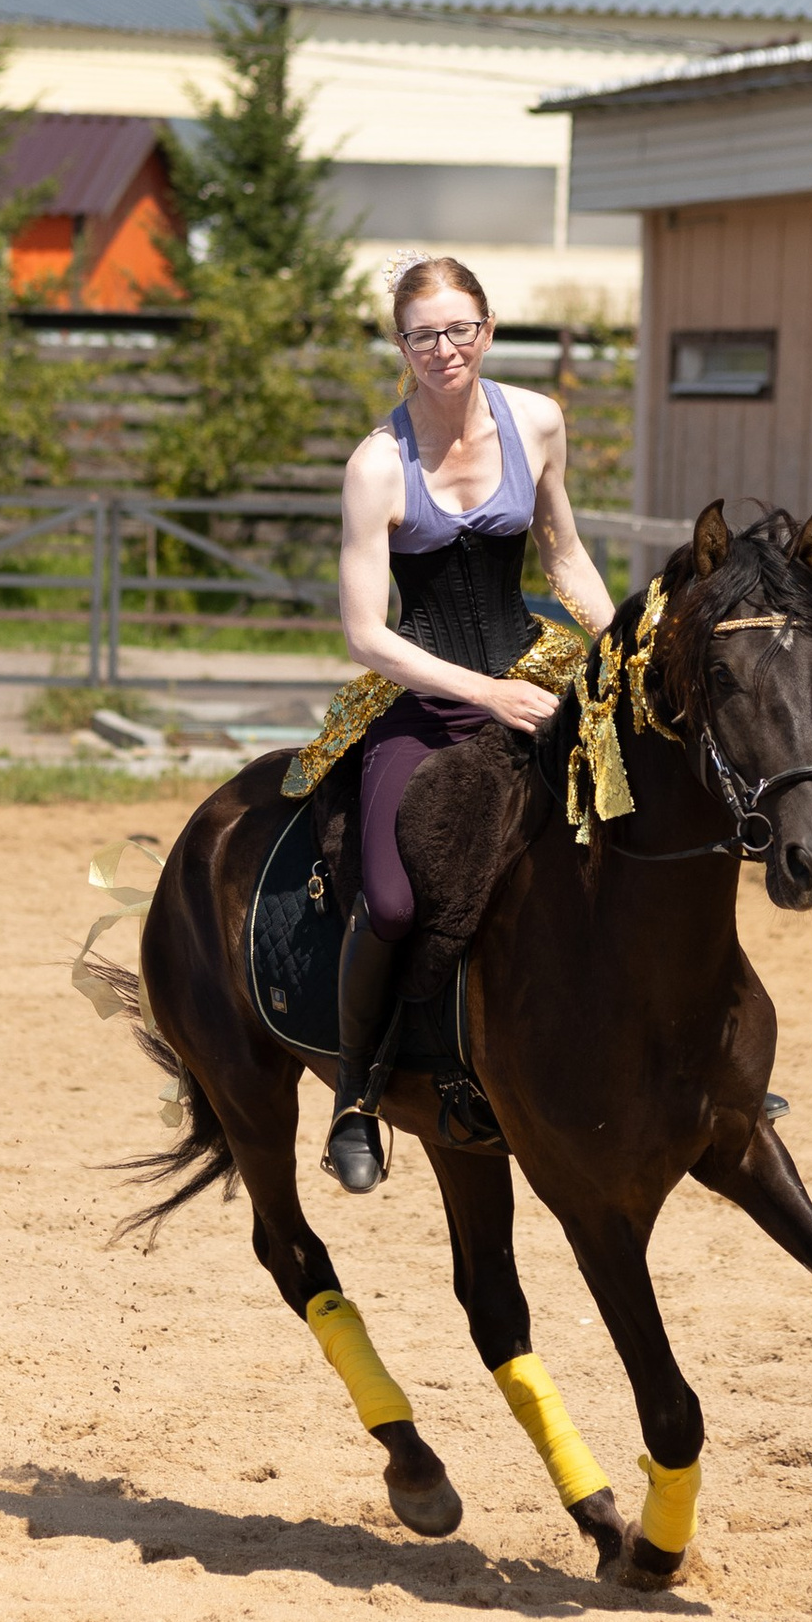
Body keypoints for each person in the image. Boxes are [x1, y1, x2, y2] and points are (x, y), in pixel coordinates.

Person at [324, 253, 615, 1192]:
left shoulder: (537, 421)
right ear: (400, 346)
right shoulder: (376, 465)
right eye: (422, 334)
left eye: (459, 329)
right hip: (421, 697)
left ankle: (681, 1047)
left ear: (487, 329)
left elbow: (563, 554)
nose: (443, 349)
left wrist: (621, 648)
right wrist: (486, 694)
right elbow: (367, 635)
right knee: (397, 900)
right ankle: (357, 1094)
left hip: (535, 665)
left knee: (641, 817)